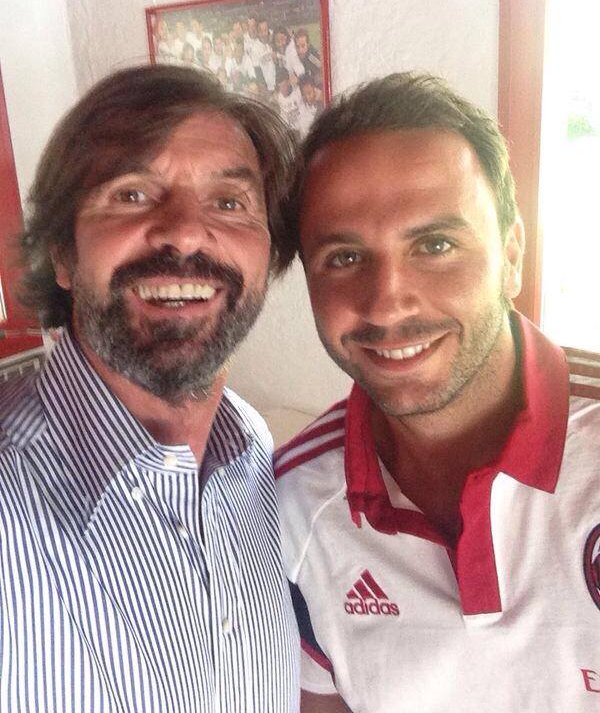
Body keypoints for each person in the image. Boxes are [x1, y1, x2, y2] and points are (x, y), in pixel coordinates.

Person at [274, 72, 600, 712]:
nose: (387, 303)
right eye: (344, 257)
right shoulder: (293, 504)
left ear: (511, 255)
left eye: (435, 244)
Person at [0, 65, 300, 712]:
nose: (185, 232)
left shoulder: (255, 452)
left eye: (229, 202)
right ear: (62, 252)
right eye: (132, 194)